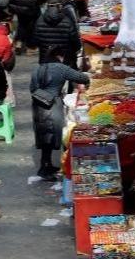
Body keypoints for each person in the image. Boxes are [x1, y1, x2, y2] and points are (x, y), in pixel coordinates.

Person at [31, 46, 92, 180]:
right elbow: (81, 77)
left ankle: (46, 164)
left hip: (38, 105)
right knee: (54, 134)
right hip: (53, 105)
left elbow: (32, 88)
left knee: (44, 135)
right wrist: (88, 80)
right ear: (60, 56)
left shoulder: (38, 68)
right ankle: (48, 170)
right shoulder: (61, 68)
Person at [35, 0, 82, 65]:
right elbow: (75, 41)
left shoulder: (39, 21)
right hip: (65, 62)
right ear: (60, 6)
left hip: (45, 62)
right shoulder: (67, 21)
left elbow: (36, 41)